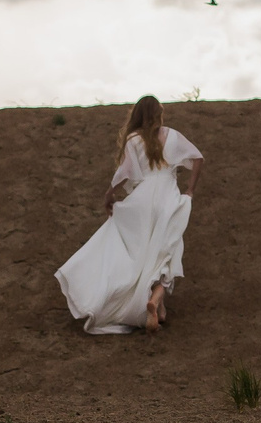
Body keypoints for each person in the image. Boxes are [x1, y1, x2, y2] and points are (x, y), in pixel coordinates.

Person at [54, 95, 204, 334]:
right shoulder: (172, 136)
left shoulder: (134, 139)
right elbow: (198, 158)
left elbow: (124, 172)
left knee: (143, 252)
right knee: (166, 252)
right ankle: (155, 302)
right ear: (159, 114)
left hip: (142, 199)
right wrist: (190, 190)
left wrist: (109, 194)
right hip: (167, 198)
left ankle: (158, 309)